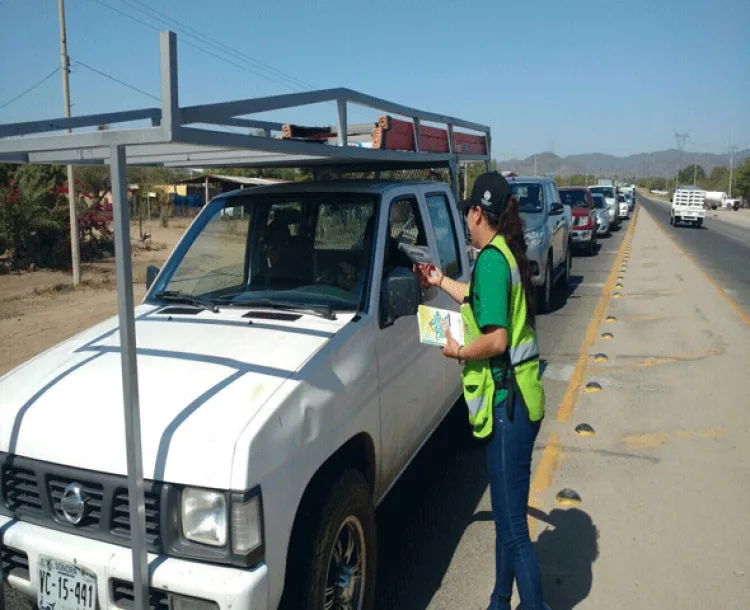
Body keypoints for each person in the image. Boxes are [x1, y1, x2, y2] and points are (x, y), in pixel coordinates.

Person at [414, 171, 548, 610]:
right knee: (509, 518)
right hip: (521, 400)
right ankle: (497, 600)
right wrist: (440, 282)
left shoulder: (491, 259)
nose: (466, 220)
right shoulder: (503, 254)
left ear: (476, 212)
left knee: (513, 529)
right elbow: (477, 297)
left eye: (467, 212)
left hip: (509, 406)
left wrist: (457, 351)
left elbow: (497, 340)